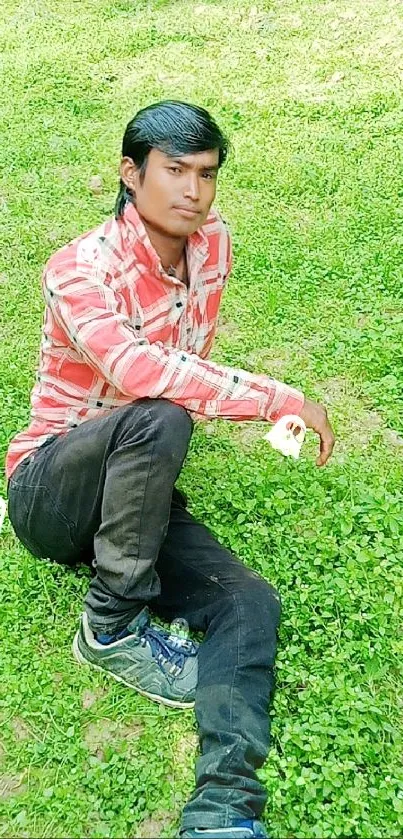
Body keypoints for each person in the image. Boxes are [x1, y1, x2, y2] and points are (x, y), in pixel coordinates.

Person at [6, 101, 335, 839]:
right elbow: (143, 370)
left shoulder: (210, 244)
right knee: (161, 413)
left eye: (207, 174)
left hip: (137, 486)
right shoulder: (78, 268)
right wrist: (275, 398)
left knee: (249, 603)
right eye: (175, 171)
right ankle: (110, 624)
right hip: (50, 489)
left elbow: (191, 355)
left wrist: (252, 413)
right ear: (131, 174)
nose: (193, 191)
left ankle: (222, 809)